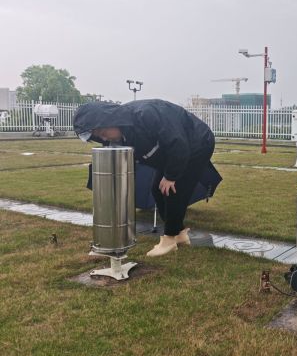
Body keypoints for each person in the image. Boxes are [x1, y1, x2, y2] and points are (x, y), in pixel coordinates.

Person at [73, 99, 218, 257]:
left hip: (197, 143)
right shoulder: (120, 133)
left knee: (173, 190)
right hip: (170, 150)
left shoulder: (147, 115)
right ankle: (180, 234)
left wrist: (170, 177)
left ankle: (169, 240)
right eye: (99, 137)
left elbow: (178, 144)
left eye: (103, 133)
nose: (105, 139)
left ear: (112, 121)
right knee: (157, 190)